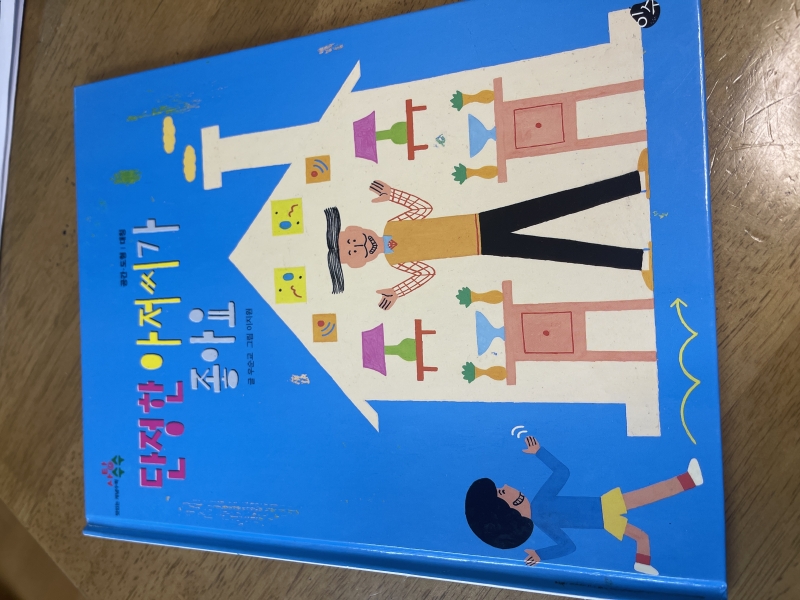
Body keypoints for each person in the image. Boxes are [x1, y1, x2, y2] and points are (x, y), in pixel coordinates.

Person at [324, 150, 653, 310]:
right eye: (354, 253)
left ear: (357, 228)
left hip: (483, 221)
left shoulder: (392, 224)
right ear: (360, 263)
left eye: (352, 240)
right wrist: (399, 292)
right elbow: (426, 273)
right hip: (483, 246)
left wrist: (393, 194)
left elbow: (422, 208)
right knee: (559, 250)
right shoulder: (396, 261)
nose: (360, 246)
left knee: (557, 204)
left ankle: (635, 181)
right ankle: (639, 261)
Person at [464, 435, 703, 575]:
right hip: (604, 509)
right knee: (647, 496)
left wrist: (541, 555)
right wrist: (540, 452)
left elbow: (568, 546)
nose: (507, 486)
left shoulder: (541, 518)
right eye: (502, 491)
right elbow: (562, 472)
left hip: (604, 519)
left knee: (642, 536)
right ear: (508, 508)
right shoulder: (541, 506)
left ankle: (642, 564)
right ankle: (690, 480)